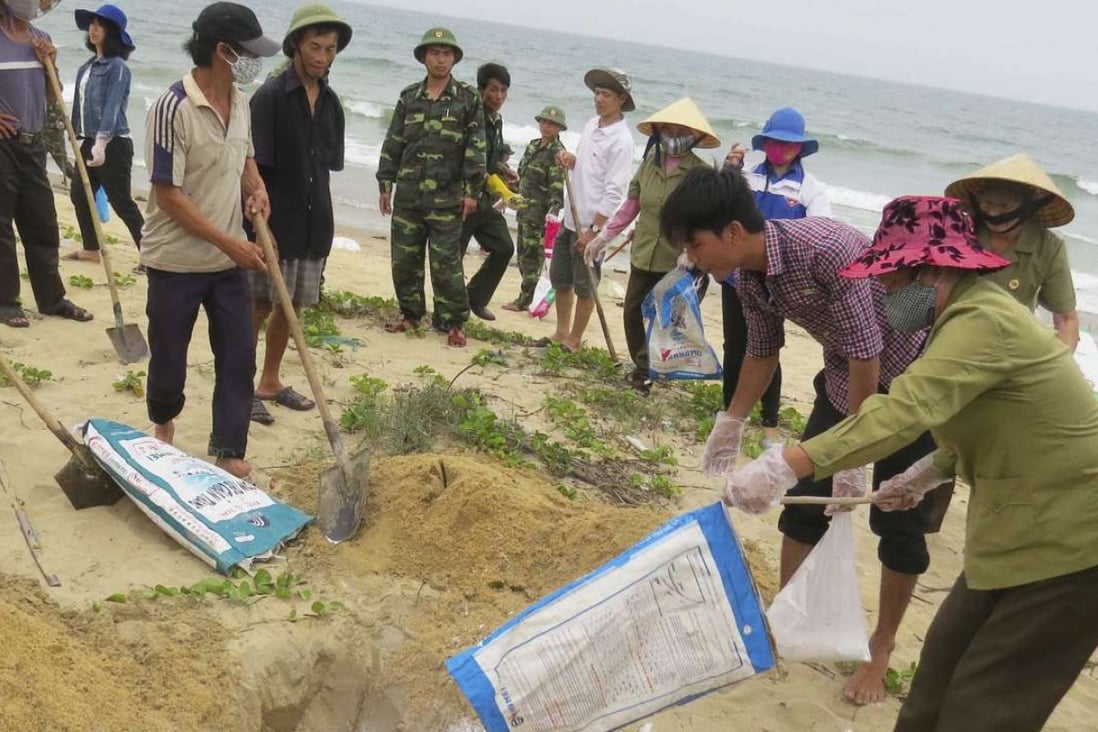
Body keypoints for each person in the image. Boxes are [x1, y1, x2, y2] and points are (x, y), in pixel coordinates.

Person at [724, 195, 1098, 731]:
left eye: (892, 280)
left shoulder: (983, 321)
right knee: (937, 673)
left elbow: (904, 410)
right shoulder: (960, 322)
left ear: (931, 270)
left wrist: (789, 463)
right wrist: (925, 474)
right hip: (1011, 536)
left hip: (1071, 542)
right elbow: (984, 419)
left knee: (984, 707)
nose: (884, 293)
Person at [659, 167, 943, 705]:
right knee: (805, 502)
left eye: (696, 246)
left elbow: (869, 352)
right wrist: (733, 421)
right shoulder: (748, 278)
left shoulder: (827, 249)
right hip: (845, 380)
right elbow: (763, 351)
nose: (693, 259)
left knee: (898, 521)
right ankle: (786, 616)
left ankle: (879, 648)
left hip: (913, 384)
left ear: (734, 232)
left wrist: (856, 449)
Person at [140, 2, 277, 478]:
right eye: (247, 51)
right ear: (222, 50)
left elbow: (244, 158)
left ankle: (229, 448)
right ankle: (163, 421)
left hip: (227, 264)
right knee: (169, 359)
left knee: (239, 353)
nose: (254, 59)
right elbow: (168, 195)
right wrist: (230, 243)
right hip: (175, 261)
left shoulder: (240, 101)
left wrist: (256, 189)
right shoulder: (171, 107)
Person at [247, 3, 350, 426]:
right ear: (295, 46)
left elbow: (326, 167)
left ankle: (270, 381)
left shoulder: (331, 104)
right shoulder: (270, 96)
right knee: (256, 306)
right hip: (272, 222)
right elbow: (251, 167)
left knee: (293, 309)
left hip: (313, 225)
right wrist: (259, 230)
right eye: (314, 46)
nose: (322, 56)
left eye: (329, 48)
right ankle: (241, 385)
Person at [583, 97, 719, 392]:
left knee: (666, 321)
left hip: (679, 261)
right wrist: (603, 236)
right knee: (632, 310)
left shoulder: (700, 173)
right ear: (659, 132)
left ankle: (657, 370)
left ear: (695, 136)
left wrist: (691, 252)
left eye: (680, 130)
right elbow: (631, 206)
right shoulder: (648, 165)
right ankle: (643, 366)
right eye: (668, 129)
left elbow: (705, 219)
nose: (673, 135)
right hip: (645, 251)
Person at [722, 106, 832, 444]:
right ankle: (730, 417)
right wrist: (729, 171)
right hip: (737, 277)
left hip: (776, 281)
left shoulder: (810, 189)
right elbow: (724, 212)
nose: (780, 149)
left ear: (799, 148)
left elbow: (821, 233)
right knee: (735, 346)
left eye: (788, 144)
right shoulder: (748, 176)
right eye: (773, 142)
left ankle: (769, 421)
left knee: (767, 347)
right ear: (764, 143)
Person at [377, 27, 485, 349]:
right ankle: (410, 315)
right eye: (435, 53)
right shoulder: (409, 96)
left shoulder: (467, 99)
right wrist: (386, 182)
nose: (440, 59)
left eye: (446, 54)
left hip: (447, 197)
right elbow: (393, 141)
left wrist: (472, 191)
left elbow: (475, 148)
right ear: (424, 57)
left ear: (454, 59)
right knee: (404, 260)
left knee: (446, 264)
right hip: (409, 196)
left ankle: (451, 322)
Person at [1, 0, 94, 328]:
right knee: (2, 225)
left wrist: (50, 64)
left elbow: (51, 96)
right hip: (2, 144)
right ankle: (6, 302)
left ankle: (52, 299)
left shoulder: (40, 38)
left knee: (42, 221)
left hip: (34, 141)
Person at [945, 152, 1079, 350]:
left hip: (1010, 344)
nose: (994, 213)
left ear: (1028, 207)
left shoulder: (1047, 248)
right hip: (953, 334)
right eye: (988, 204)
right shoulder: (960, 231)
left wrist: (1060, 366)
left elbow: (1067, 319)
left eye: (1004, 206)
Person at [545, 68, 634, 352]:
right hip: (570, 218)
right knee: (560, 278)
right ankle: (561, 332)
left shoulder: (622, 140)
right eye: (597, 93)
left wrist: (595, 231)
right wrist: (570, 159)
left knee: (586, 286)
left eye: (606, 94)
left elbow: (614, 191)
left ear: (621, 99)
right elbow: (586, 166)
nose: (599, 99)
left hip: (592, 227)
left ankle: (575, 338)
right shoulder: (591, 124)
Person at [66, 3, 145, 266]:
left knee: (122, 201)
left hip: (114, 143)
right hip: (88, 141)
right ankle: (91, 249)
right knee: (79, 194)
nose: (93, 29)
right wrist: (78, 135)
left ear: (112, 32)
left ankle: (150, 255)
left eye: (100, 25)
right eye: (91, 24)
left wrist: (101, 143)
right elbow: (81, 104)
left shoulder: (117, 67)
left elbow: (111, 107)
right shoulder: (86, 67)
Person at [457, 62, 515, 322]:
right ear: (481, 90)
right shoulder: (470, 116)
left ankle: (475, 298)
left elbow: (488, 159)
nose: (499, 96)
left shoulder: (496, 121)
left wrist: (504, 170)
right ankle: (451, 311)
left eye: (503, 90)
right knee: (452, 257)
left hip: (485, 201)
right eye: (493, 89)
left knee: (504, 247)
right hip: (463, 198)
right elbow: (465, 157)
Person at [501, 105, 565, 312]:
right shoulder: (532, 145)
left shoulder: (557, 153)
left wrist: (554, 211)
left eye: (552, 124)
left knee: (531, 257)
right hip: (523, 208)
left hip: (539, 214)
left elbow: (557, 185)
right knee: (522, 254)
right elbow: (522, 176)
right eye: (544, 122)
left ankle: (526, 299)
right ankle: (528, 297)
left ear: (559, 128)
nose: (546, 126)